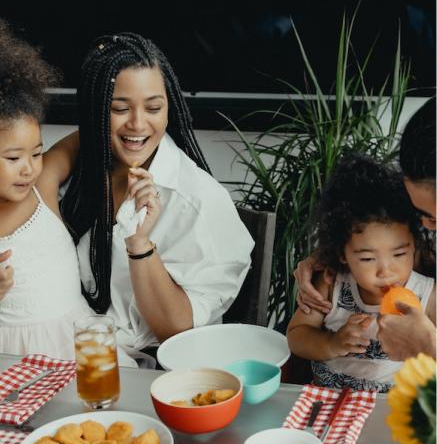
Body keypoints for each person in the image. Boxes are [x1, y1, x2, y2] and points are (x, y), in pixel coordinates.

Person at [37, 32, 254, 362]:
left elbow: (177, 331)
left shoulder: (197, 201)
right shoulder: (87, 164)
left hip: (151, 367)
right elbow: (40, 183)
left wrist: (140, 244)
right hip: (79, 344)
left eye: (154, 107)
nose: (138, 124)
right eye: (119, 108)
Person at [0, 19, 136, 365]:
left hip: (79, 348)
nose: (30, 167)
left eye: (36, 152)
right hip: (10, 358)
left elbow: (87, 136)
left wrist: (131, 126)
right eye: (14, 158)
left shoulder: (41, 190)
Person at [293, 95, 437, 363]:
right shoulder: (333, 283)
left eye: (435, 218)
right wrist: (328, 254)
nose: (428, 228)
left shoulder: (429, 294)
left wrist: (430, 347)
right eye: (422, 215)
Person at [286, 153, 437, 391]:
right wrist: (331, 343)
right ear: (342, 254)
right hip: (327, 400)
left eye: (399, 254)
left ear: (415, 245)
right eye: (367, 258)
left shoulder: (428, 294)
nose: (386, 271)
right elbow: (296, 336)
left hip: (390, 409)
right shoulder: (331, 284)